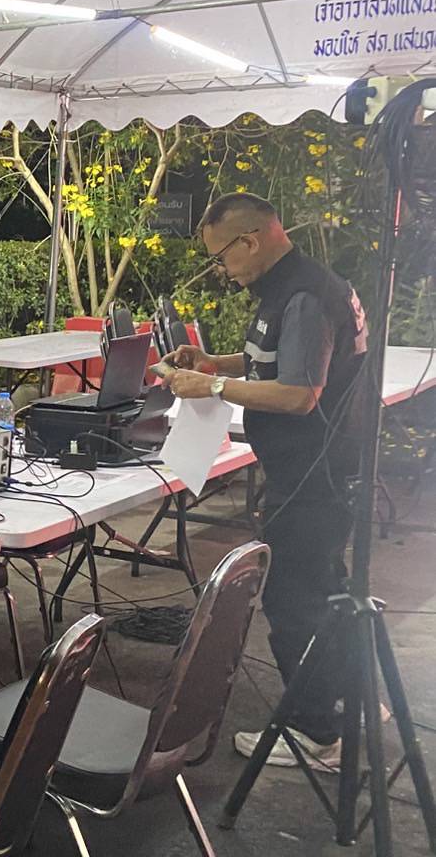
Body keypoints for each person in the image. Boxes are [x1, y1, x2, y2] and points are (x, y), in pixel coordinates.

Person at [163, 192, 368, 769]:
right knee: (329, 592)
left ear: (250, 241)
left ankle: (316, 732)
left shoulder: (302, 297)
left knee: (294, 601)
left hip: (310, 477)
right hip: (322, 471)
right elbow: (278, 360)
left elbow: (300, 394)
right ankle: (349, 705)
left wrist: (212, 388)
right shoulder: (305, 285)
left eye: (222, 257)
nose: (222, 270)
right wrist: (219, 364)